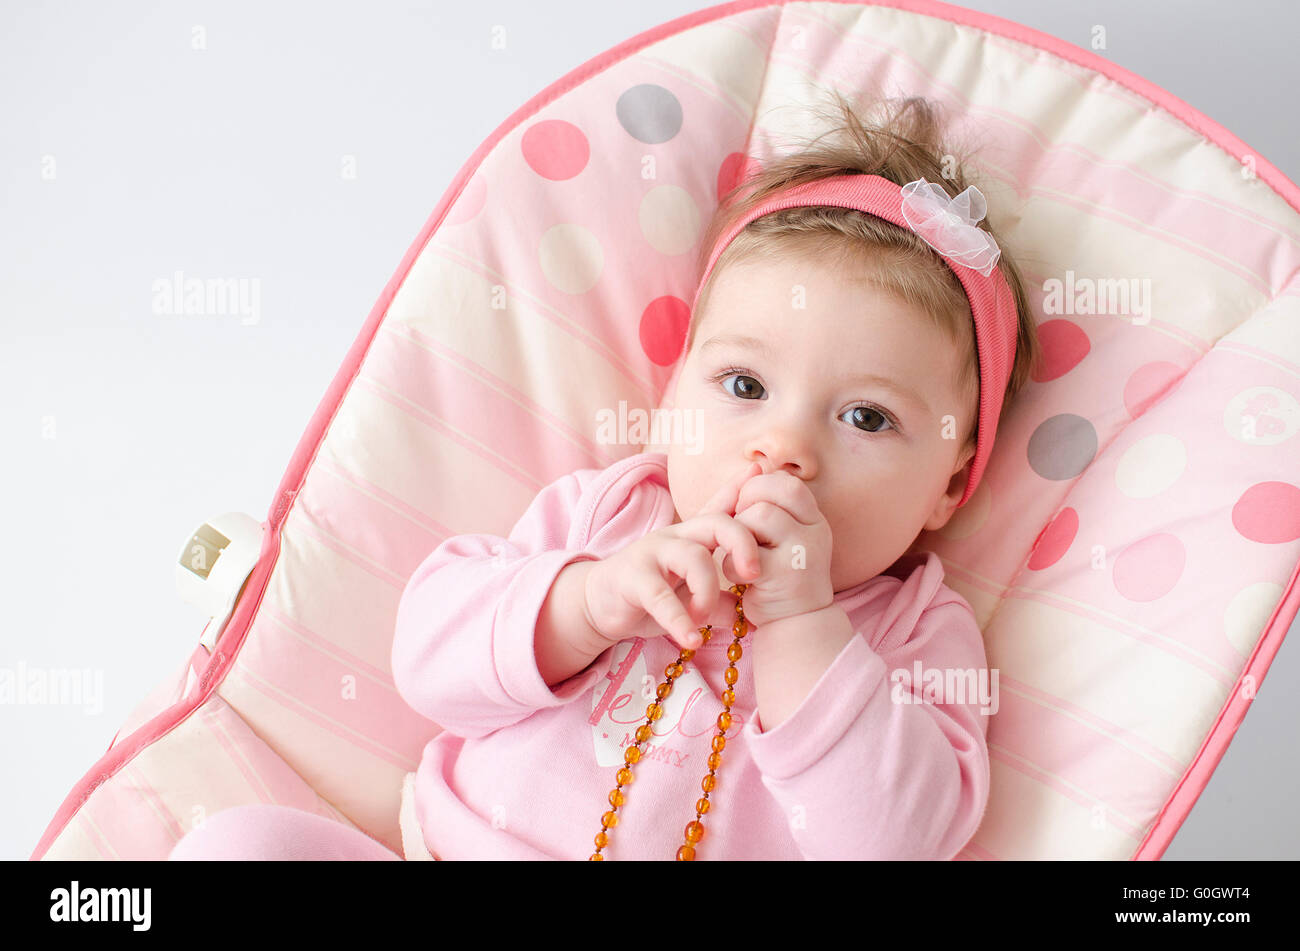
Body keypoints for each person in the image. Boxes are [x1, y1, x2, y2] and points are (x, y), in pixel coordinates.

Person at [168, 93, 1039, 862]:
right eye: (744, 386)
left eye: (866, 418)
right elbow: (430, 658)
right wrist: (582, 605)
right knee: (236, 846)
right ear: (670, 397)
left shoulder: (919, 633)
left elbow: (892, 841)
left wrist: (803, 625)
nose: (784, 448)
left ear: (950, 487)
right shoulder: (614, 514)